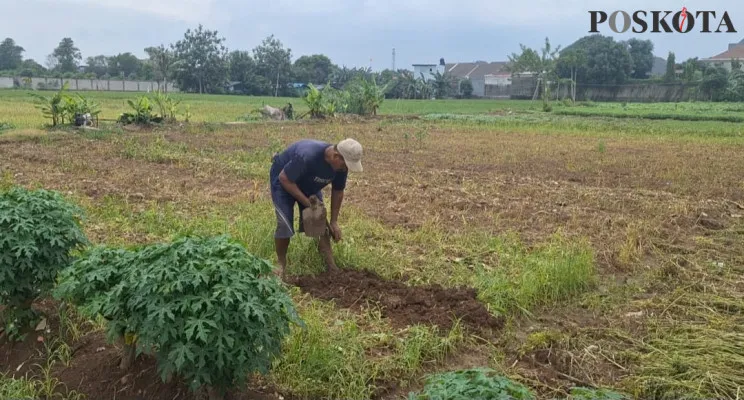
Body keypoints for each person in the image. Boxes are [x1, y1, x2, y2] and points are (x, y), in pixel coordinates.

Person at [269, 138, 363, 278]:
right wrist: (307, 203)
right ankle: (280, 264)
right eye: (345, 165)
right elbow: (285, 179)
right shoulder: (308, 156)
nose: (346, 169)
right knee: (285, 224)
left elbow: (338, 191)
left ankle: (331, 266)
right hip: (284, 180)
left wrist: (334, 221)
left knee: (318, 221)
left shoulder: (341, 167)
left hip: (309, 183)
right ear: (336, 156)